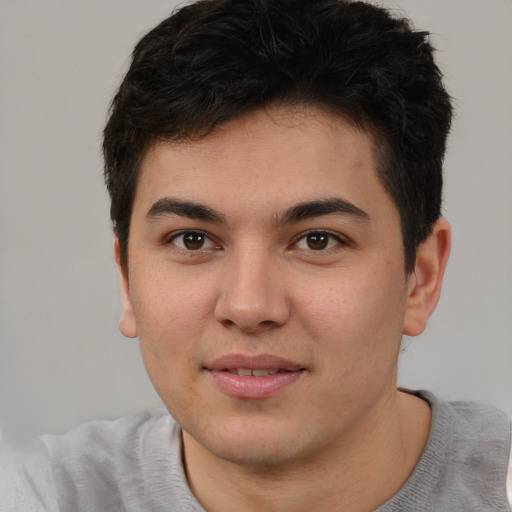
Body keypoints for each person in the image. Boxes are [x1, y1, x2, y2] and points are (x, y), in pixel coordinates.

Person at [2, 0, 511, 510]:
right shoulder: (44, 497)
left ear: (420, 277)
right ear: (126, 278)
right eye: (192, 240)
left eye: (318, 240)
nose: (248, 307)